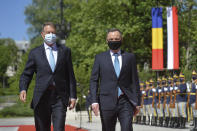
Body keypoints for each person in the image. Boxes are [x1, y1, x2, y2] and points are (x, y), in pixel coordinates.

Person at [19, 22, 77, 131]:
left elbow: (70, 75)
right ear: (42, 34)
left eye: (53, 32)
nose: (51, 35)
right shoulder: (35, 53)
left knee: (59, 128)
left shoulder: (65, 51)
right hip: (41, 97)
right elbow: (26, 74)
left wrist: (73, 96)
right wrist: (23, 88)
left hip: (59, 97)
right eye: (48, 32)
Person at [89, 28, 141, 131]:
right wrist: (94, 101)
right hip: (106, 102)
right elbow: (94, 80)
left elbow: (135, 81)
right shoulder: (100, 58)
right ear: (107, 41)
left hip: (125, 101)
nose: (114, 41)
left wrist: (138, 102)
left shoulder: (130, 57)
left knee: (127, 128)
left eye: (116, 38)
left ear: (121, 40)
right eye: (111, 39)